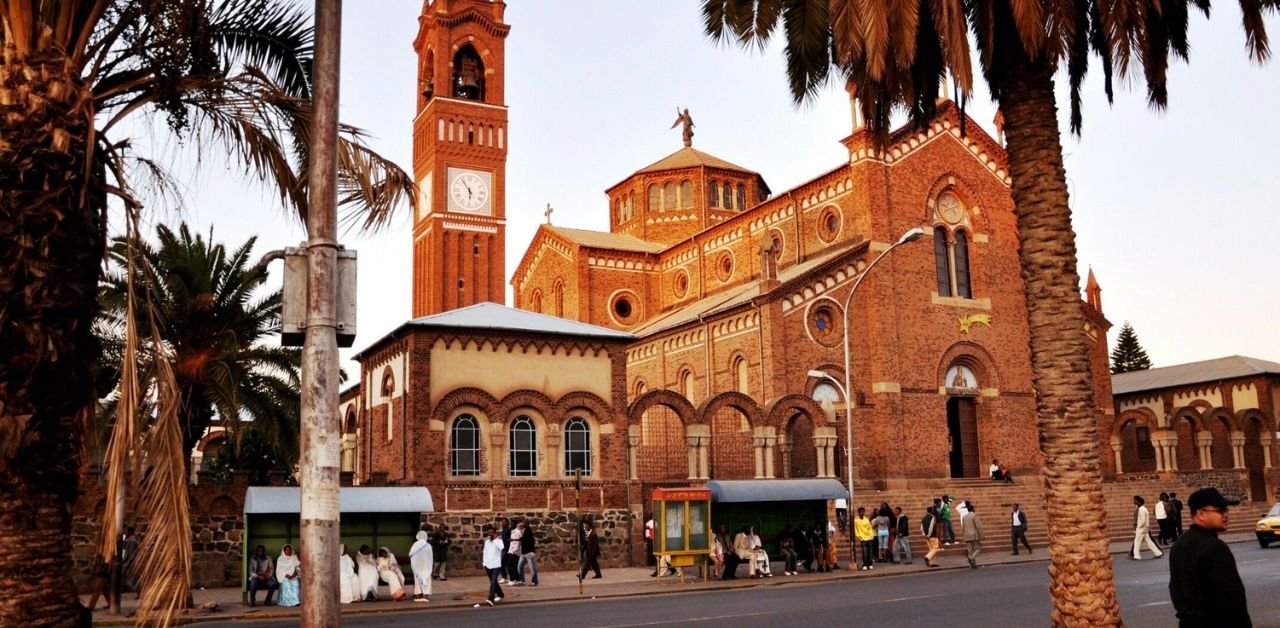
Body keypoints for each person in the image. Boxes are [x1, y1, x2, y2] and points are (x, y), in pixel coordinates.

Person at [1168, 487, 1250, 627]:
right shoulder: (1215, 548)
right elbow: (1232, 600)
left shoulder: (1179, 544)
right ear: (1201, 514)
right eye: (1220, 510)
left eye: (1226, 510)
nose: (1225, 514)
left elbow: (1175, 589)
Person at [475, 525, 504, 607]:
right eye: (489, 533)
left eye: (491, 533)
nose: (490, 534)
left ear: (495, 533)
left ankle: (490, 599)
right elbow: (485, 553)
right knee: (493, 581)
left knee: (493, 581)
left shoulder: (498, 541)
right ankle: (501, 594)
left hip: (496, 564)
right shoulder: (487, 542)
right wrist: (484, 563)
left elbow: (502, 547)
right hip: (488, 564)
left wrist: (495, 539)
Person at [1131, 495, 1164, 560]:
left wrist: (1138, 526)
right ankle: (1158, 553)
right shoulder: (1143, 509)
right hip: (1145, 528)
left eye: (1135, 500)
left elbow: (1142, 520)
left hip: (1141, 528)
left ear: (1138, 501)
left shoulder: (1141, 509)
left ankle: (1136, 556)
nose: (1134, 501)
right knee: (1149, 542)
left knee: (1137, 542)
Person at [409, 529, 434, 602]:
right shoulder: (428, 545)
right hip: (426, 566)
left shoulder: (415, 545)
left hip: (417, 566)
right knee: (426, 579)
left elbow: (411, 555)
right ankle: (425, 595)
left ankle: (419, 594)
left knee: (418, 580)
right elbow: (430, 557)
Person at [517, 520, 540, 586]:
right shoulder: (524, 531)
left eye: (524, 523)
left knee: (532, 567)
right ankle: (522, 581)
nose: (523, 524)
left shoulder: (528, 530)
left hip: (529, 553)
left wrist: (514, 539)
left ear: (527, 524)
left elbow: (523, 539)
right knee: (520, 566)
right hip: (524, 553)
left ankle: (534, 581)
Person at [962, 502, 984, 568]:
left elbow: (963, 527)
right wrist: (982, 535)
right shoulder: (974, 515)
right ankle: (971, 558)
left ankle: (973, 564)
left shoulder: (964, 517)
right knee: (978, 548)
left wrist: (964, 535)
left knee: (970, 550)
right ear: (972, 509)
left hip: (967, 535)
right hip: (974, 535)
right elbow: (978, 526)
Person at [121, 526, 140, 597]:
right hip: (127, 562)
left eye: (126, 532)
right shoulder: (130, 540)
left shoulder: (132, 541)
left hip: (128, 563)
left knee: (132, 579)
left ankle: (139, 592)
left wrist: (127, 563)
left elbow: (131, 553)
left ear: (129, 532)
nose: (125, 533)